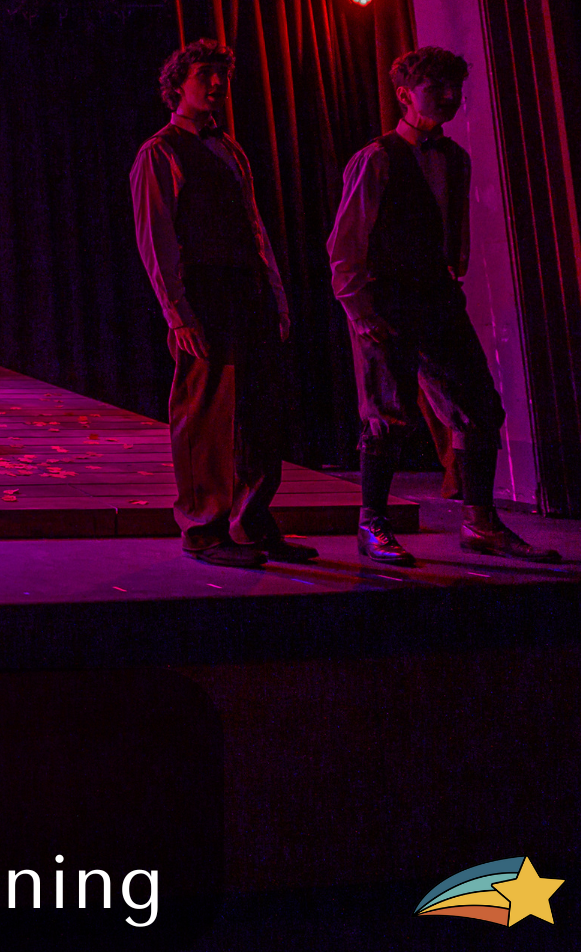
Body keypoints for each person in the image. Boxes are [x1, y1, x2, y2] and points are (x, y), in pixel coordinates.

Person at [326, 47, 561, 566]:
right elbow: (345, 244)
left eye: (456, 88)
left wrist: (453, 274)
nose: (452, 98)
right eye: (438, 89)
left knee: (479, 405)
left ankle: (479, 523)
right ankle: (373, 523)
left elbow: (453, 233)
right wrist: (360, 310)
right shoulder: (378, 157)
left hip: (436, 295)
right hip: (386, 298)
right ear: (406, 95)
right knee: (388, 413)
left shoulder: (455, 157)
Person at [129, 39, 314, 568]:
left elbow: (254, 228)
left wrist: (275, 294)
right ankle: (203, 529)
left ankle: (251, 521)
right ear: (178, 84)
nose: (216, 84)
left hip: (246, 285)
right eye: (206, 74)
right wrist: (177, 310)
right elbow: (156, 237)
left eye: (222, 76)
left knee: (259, 407)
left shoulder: (230, 148)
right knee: (206, 413)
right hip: (203, 289)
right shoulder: (160, 151)